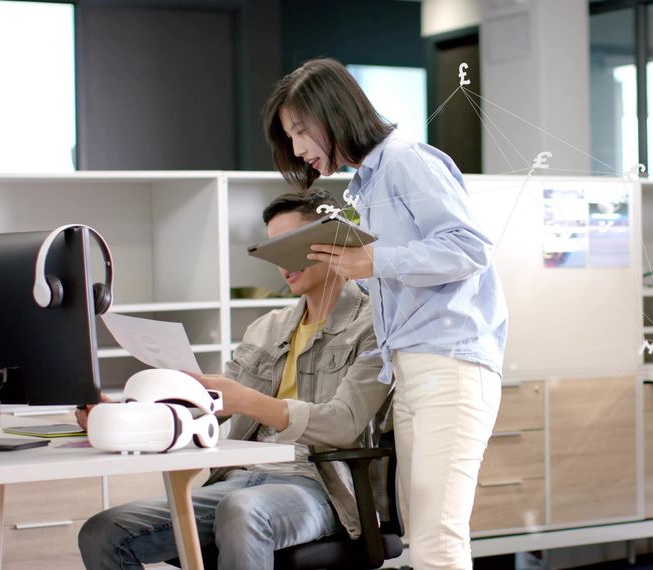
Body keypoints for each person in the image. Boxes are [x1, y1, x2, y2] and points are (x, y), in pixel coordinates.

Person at [262, 57, 507, 569]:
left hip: (450, 366)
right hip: (416, 370)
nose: (299, 150)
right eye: (291, 139)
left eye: (301, 132)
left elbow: (469, 248)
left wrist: (372, 260)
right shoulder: (366, 185)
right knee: (425, 537)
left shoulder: (404, 161)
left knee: (438, 538)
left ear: (333, 115)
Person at [76, 190, 392, 570]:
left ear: (333, 242)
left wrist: (245, 399)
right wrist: (124, 416)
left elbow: (343, 425)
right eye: (271, 249)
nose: (280, 262)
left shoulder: (374, 326)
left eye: (289, 246)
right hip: (240, 479)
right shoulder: (267, 328)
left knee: (242, 512)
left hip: (321, 487)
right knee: (103, 531)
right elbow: (207, 409)